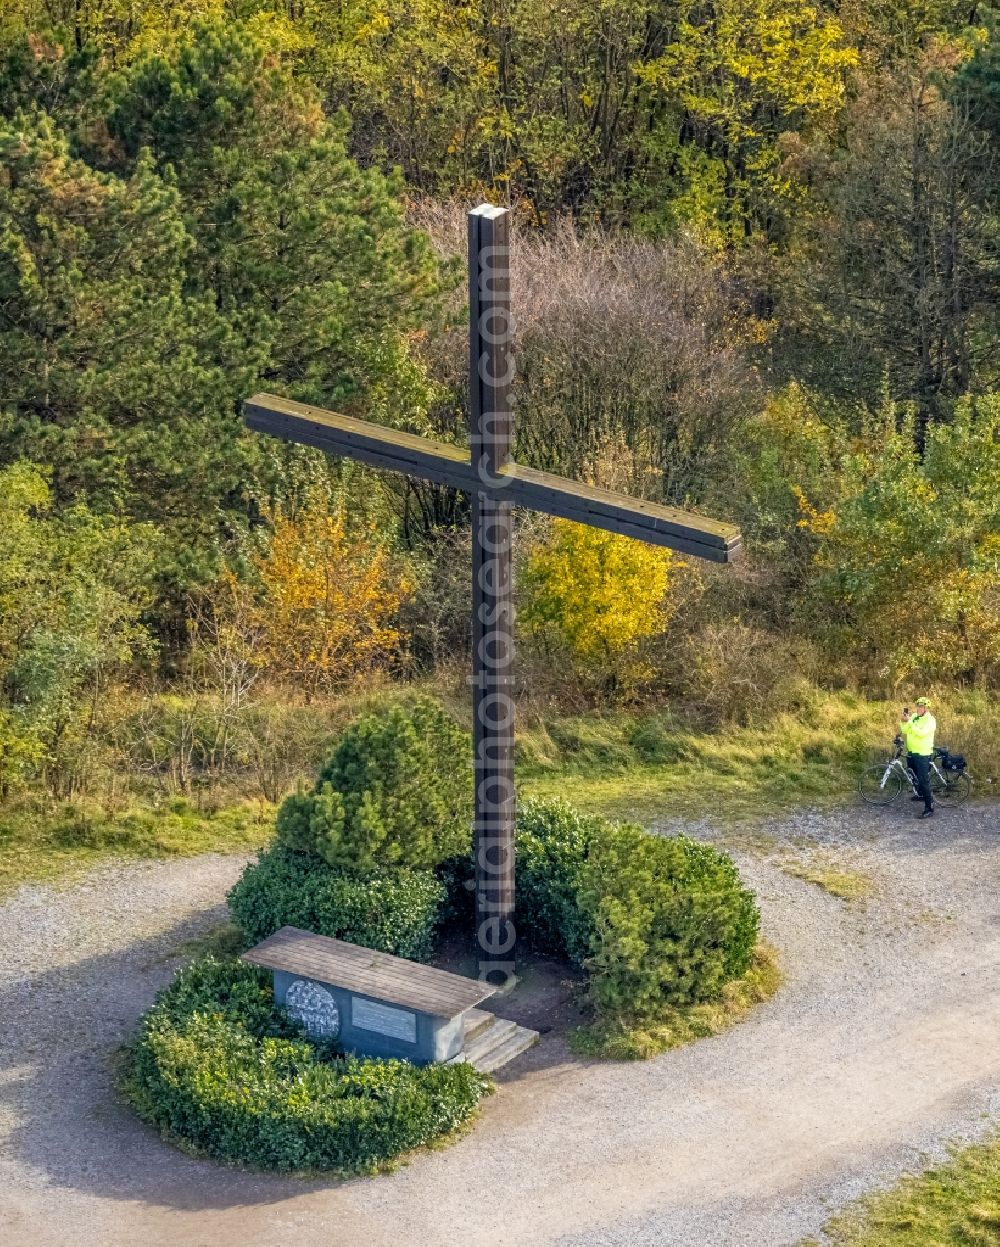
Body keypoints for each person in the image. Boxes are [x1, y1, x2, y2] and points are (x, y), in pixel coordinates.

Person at [900, 697, 936, 818]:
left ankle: (929, 808)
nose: (919, 709)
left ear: (926, 708)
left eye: (921, 707)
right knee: (913, 777)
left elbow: (921, 733)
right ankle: (920, 794)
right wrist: (903, 721)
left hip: (923, 754)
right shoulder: (914, 716)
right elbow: (905, 730)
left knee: (923, 781)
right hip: (912, 752)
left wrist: (909, 721)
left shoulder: (930, 720)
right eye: (918, 706)